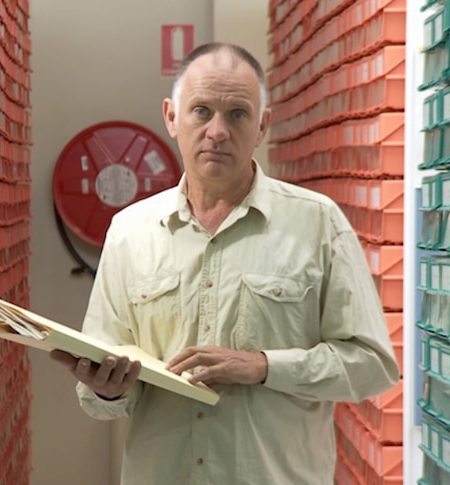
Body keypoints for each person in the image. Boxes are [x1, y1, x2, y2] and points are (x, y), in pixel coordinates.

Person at [51, 42, 400, 484]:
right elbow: (100, 393)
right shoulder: (129, 231)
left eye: (237, 114)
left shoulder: (318, 223)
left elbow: (371, 365)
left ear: (262, 126)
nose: (217, 130)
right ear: (171, 117)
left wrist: (263, 366)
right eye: (201, 111)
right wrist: (106, 387)